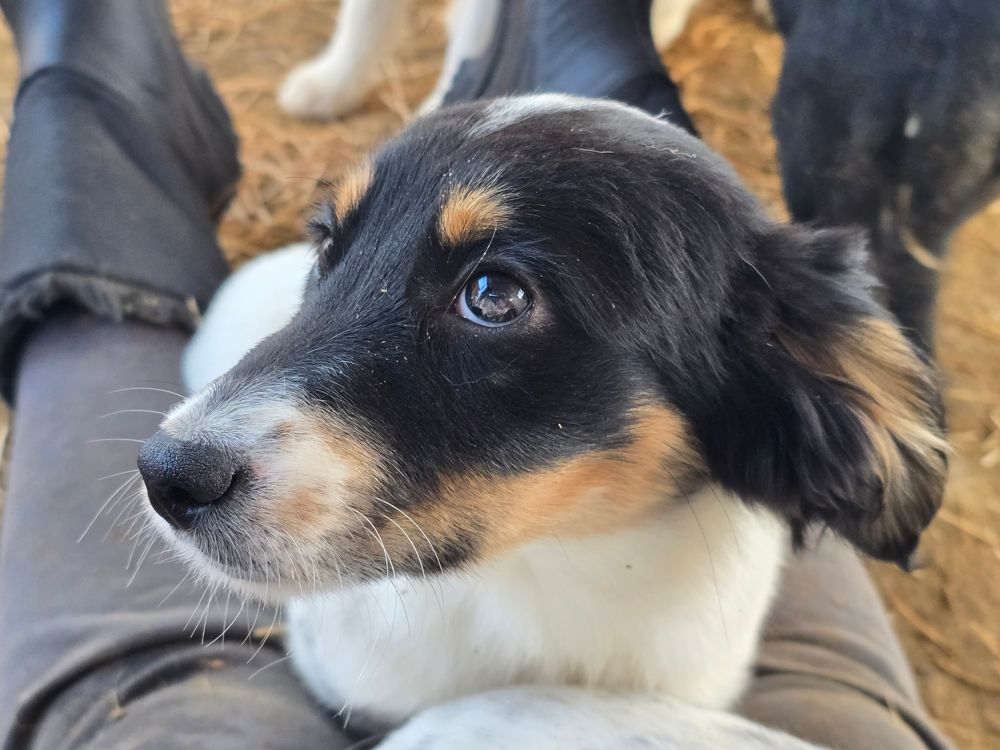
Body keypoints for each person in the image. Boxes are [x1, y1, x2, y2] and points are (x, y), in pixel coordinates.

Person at [0, 1, 959, 748]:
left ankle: (92, 124)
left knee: (156, 707)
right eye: (334, 245)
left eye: (498, 295)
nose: (193, 437)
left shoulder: (771, 360)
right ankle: (612, 103)